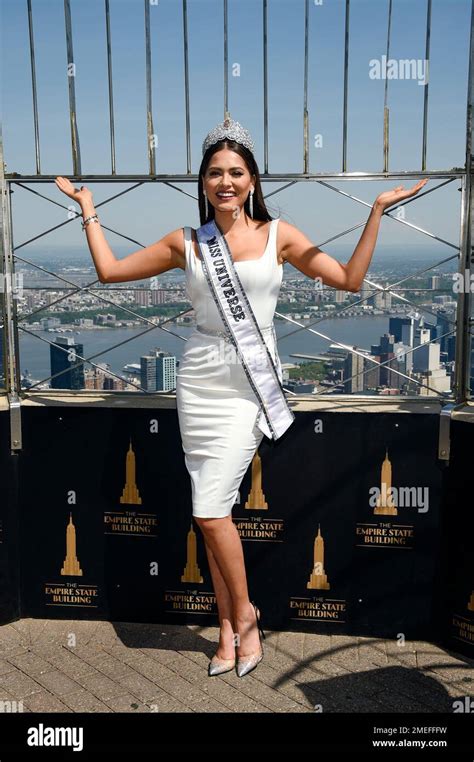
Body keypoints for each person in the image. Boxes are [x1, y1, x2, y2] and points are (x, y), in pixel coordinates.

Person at [55, 115, 427, 678]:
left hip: (248, 383)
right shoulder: (187, 243)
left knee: (208, 511)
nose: (224, 182)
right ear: (202, 182)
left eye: (235, 172)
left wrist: (376, 211)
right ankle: (228, 626)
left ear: (252, 179)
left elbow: (349, 280)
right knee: (213, 512)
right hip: (201, 378)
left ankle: (247, 617)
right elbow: (108, 272)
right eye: (213, 173)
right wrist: (87, 209)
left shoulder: (281, 235)